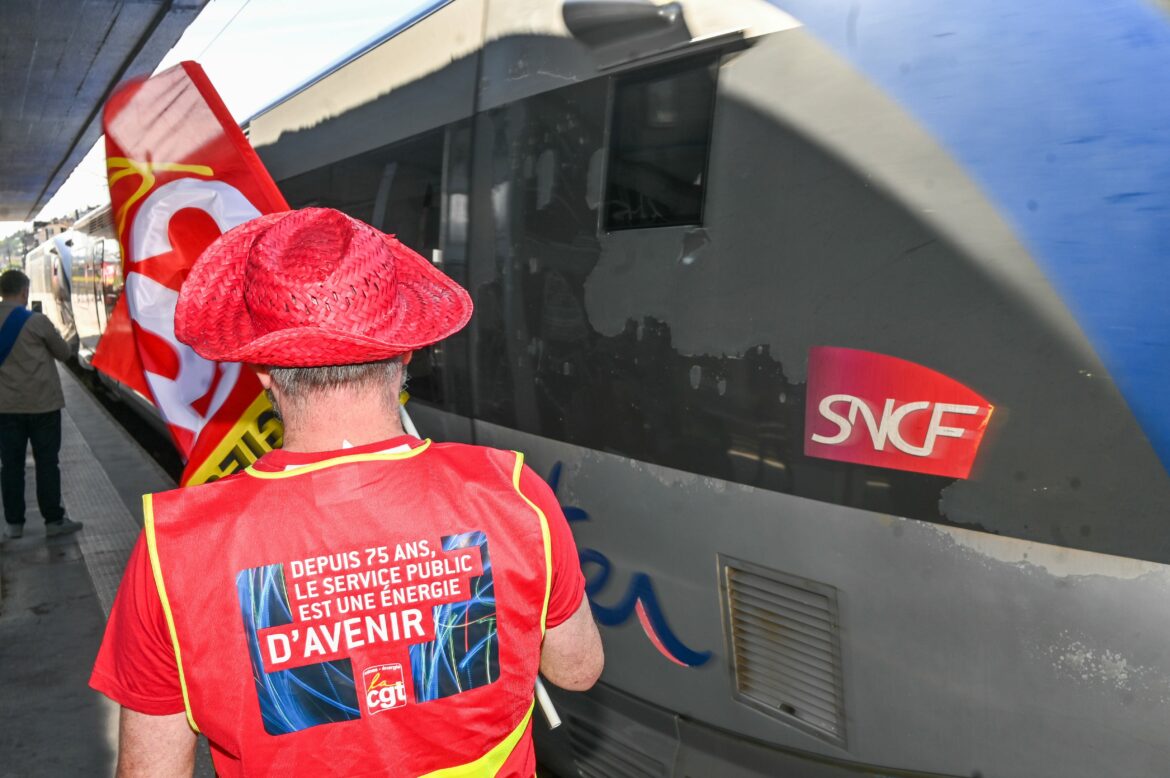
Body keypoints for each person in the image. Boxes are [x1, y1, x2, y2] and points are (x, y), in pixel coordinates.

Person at [89, 209, 603, 777]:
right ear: (406, 348)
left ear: (260, 367)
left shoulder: (175, 551)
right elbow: (577, 670)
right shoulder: (511, 492)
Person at [0, 269, 83, 539]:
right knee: (47, 463)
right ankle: (53, 521)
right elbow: (64, 353)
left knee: (11, 466)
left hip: (6, 409)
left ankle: (14, 525)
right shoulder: (37, 321)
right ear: (24, 291)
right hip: (43, 407)